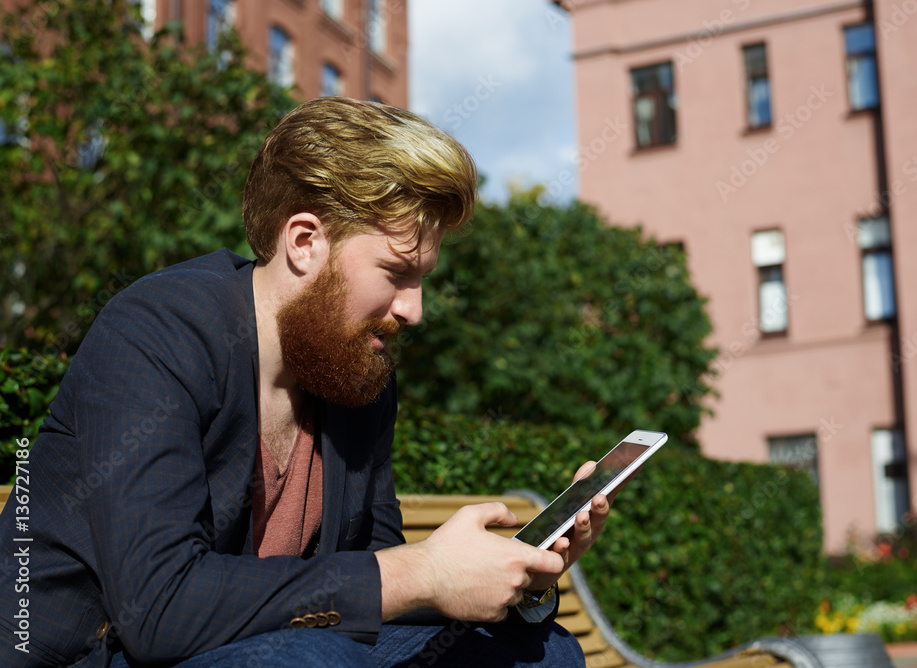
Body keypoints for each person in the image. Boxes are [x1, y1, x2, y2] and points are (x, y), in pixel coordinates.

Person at [0, 97, 621, 667]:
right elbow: (159, 610)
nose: (415, 309)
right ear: (305, 242)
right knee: (311, 662)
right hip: (97, 656)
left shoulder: (353, 372)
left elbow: (372, 597)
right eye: (396, 272)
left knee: (541, 654)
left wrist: (514, 575)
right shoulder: (156, 333)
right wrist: (419, 574)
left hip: (268, 650)